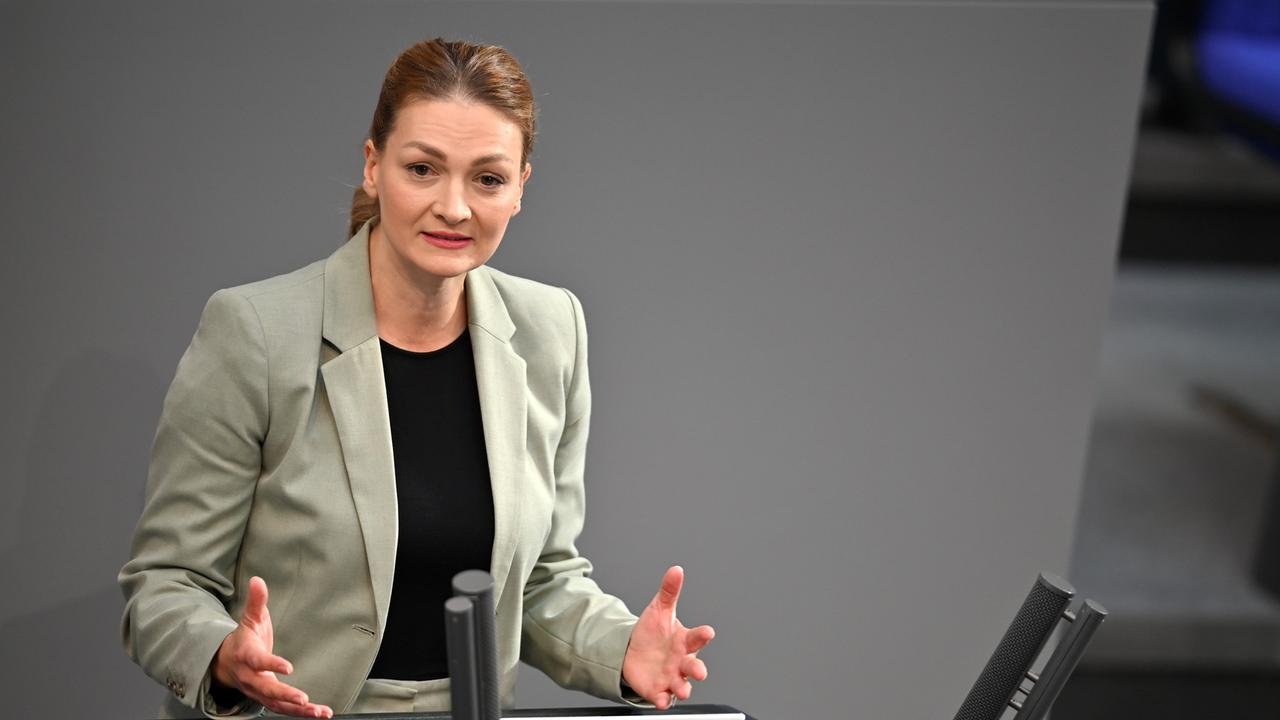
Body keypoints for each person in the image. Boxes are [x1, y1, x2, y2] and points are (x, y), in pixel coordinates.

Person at [118, 37, 715, 719]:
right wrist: (223, 655)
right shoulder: (254, 332)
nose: (455, 207)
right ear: (373, 167)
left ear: (521, 187)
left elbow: (541, 580)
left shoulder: (553, 330)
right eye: (423, 169)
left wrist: (623, 652)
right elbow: (165, 583)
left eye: (487, 179)